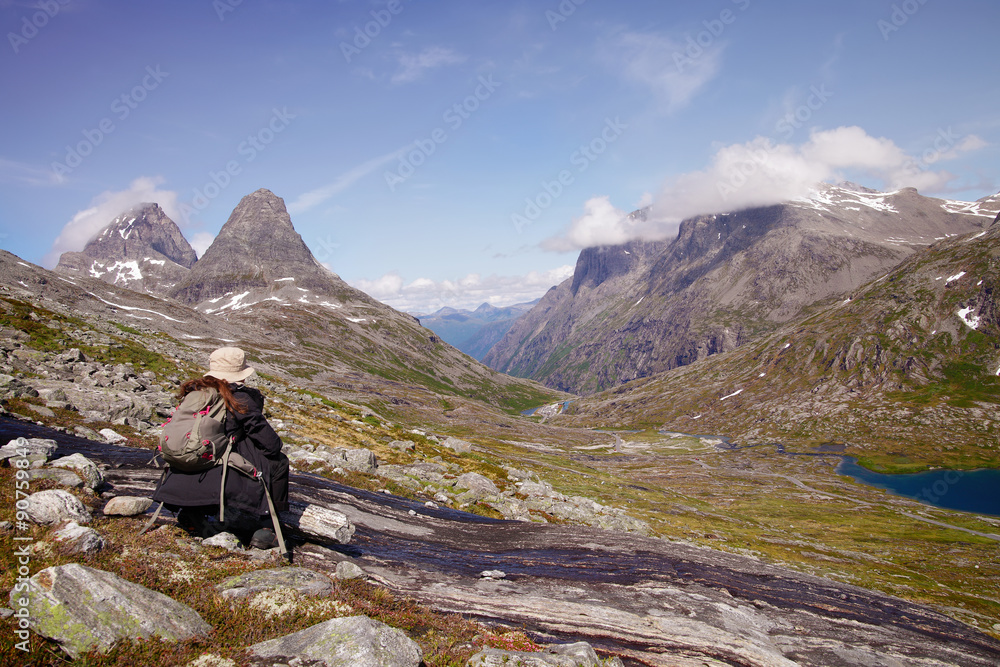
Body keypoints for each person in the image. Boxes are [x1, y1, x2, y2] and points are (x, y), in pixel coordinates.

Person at [151, 347, 289, 549]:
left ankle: (193, 513)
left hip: (183, 468)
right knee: (279, 462)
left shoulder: (195, 392)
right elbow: (272, 445)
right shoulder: (238, 398)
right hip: (217, 466)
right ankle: (268, 527)